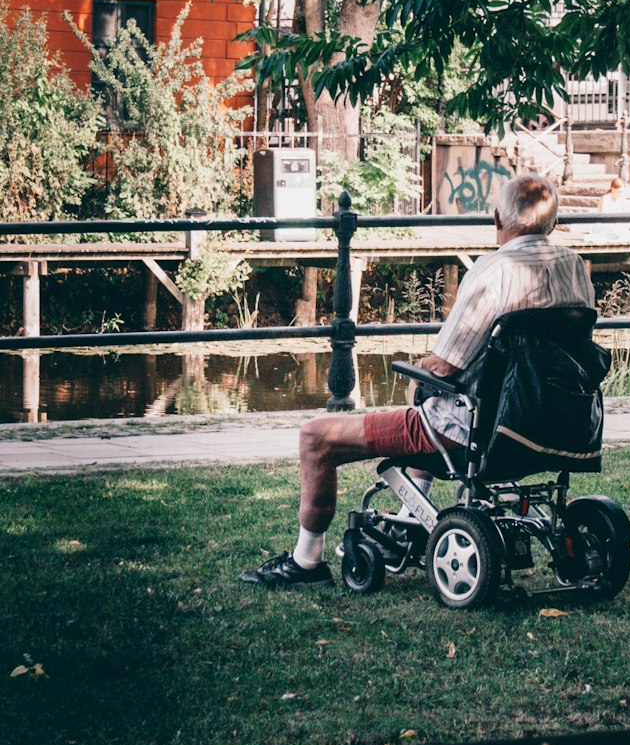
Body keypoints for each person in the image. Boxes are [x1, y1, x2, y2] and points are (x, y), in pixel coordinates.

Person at [240, 172, 595, 587]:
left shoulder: (493, 271)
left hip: (475, 430)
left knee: (317, 437)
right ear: (553, 222)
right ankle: (410, 517)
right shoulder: (574, 267)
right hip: (555, 424)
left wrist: (418, 368)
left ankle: (305, 561)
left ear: (497, 218)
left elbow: (446, 366)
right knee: (428, 395)